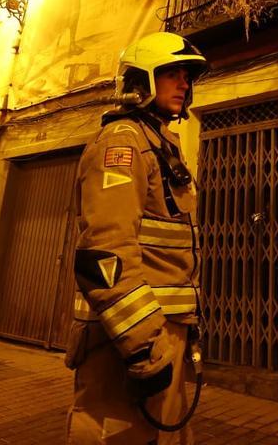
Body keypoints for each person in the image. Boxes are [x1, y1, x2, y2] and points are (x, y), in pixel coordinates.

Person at [67, 32, 209, 444]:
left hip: (163, 330)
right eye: (172, 73)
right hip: (129, 337)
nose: (184, 83)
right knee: (115, 435)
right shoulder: (122, 142)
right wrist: (144, 344)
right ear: (141, 80)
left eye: (187, 76)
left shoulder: (160, 143)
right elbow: (104, 254)